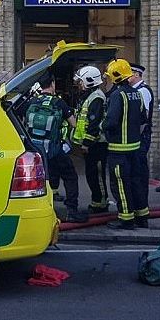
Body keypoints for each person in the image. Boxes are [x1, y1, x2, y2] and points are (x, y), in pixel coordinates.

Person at [24, 72, 87, 223]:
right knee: (70, 177)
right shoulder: (59, 103)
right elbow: (74, 124)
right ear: (52, 84)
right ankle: (71, 210)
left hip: (37, 151)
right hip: (55, 149)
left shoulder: (32, 102)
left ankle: (46, 211)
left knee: (45, 178)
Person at [102, 59, 149, 230]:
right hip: (135, 148)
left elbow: (111, 122)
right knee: (137, 182)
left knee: (120, 184)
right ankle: (142, 216)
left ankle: (126, 219)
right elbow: (144, 118)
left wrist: (102, 125)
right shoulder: (138, 94)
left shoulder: (117, 95)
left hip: (118, 150)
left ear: (115, 76)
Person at [72, 65, 110, 215]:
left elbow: (94, 124)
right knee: (91, 174)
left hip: (97, 145)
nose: (79, 84)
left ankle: (101, 204)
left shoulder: (97, 98)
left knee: (97, 175)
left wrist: (87, 143)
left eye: (81, 81)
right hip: (92, 144)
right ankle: (96, 201)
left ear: (89, 81)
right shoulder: (90, 96)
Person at [129, 63, 154, 215]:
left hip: (141, 137)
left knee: (139, 171)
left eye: (129, 73)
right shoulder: (135, 90)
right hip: (138, 136)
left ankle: (141, 205)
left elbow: (142, 118)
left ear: (136, 75)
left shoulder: (142, 91)